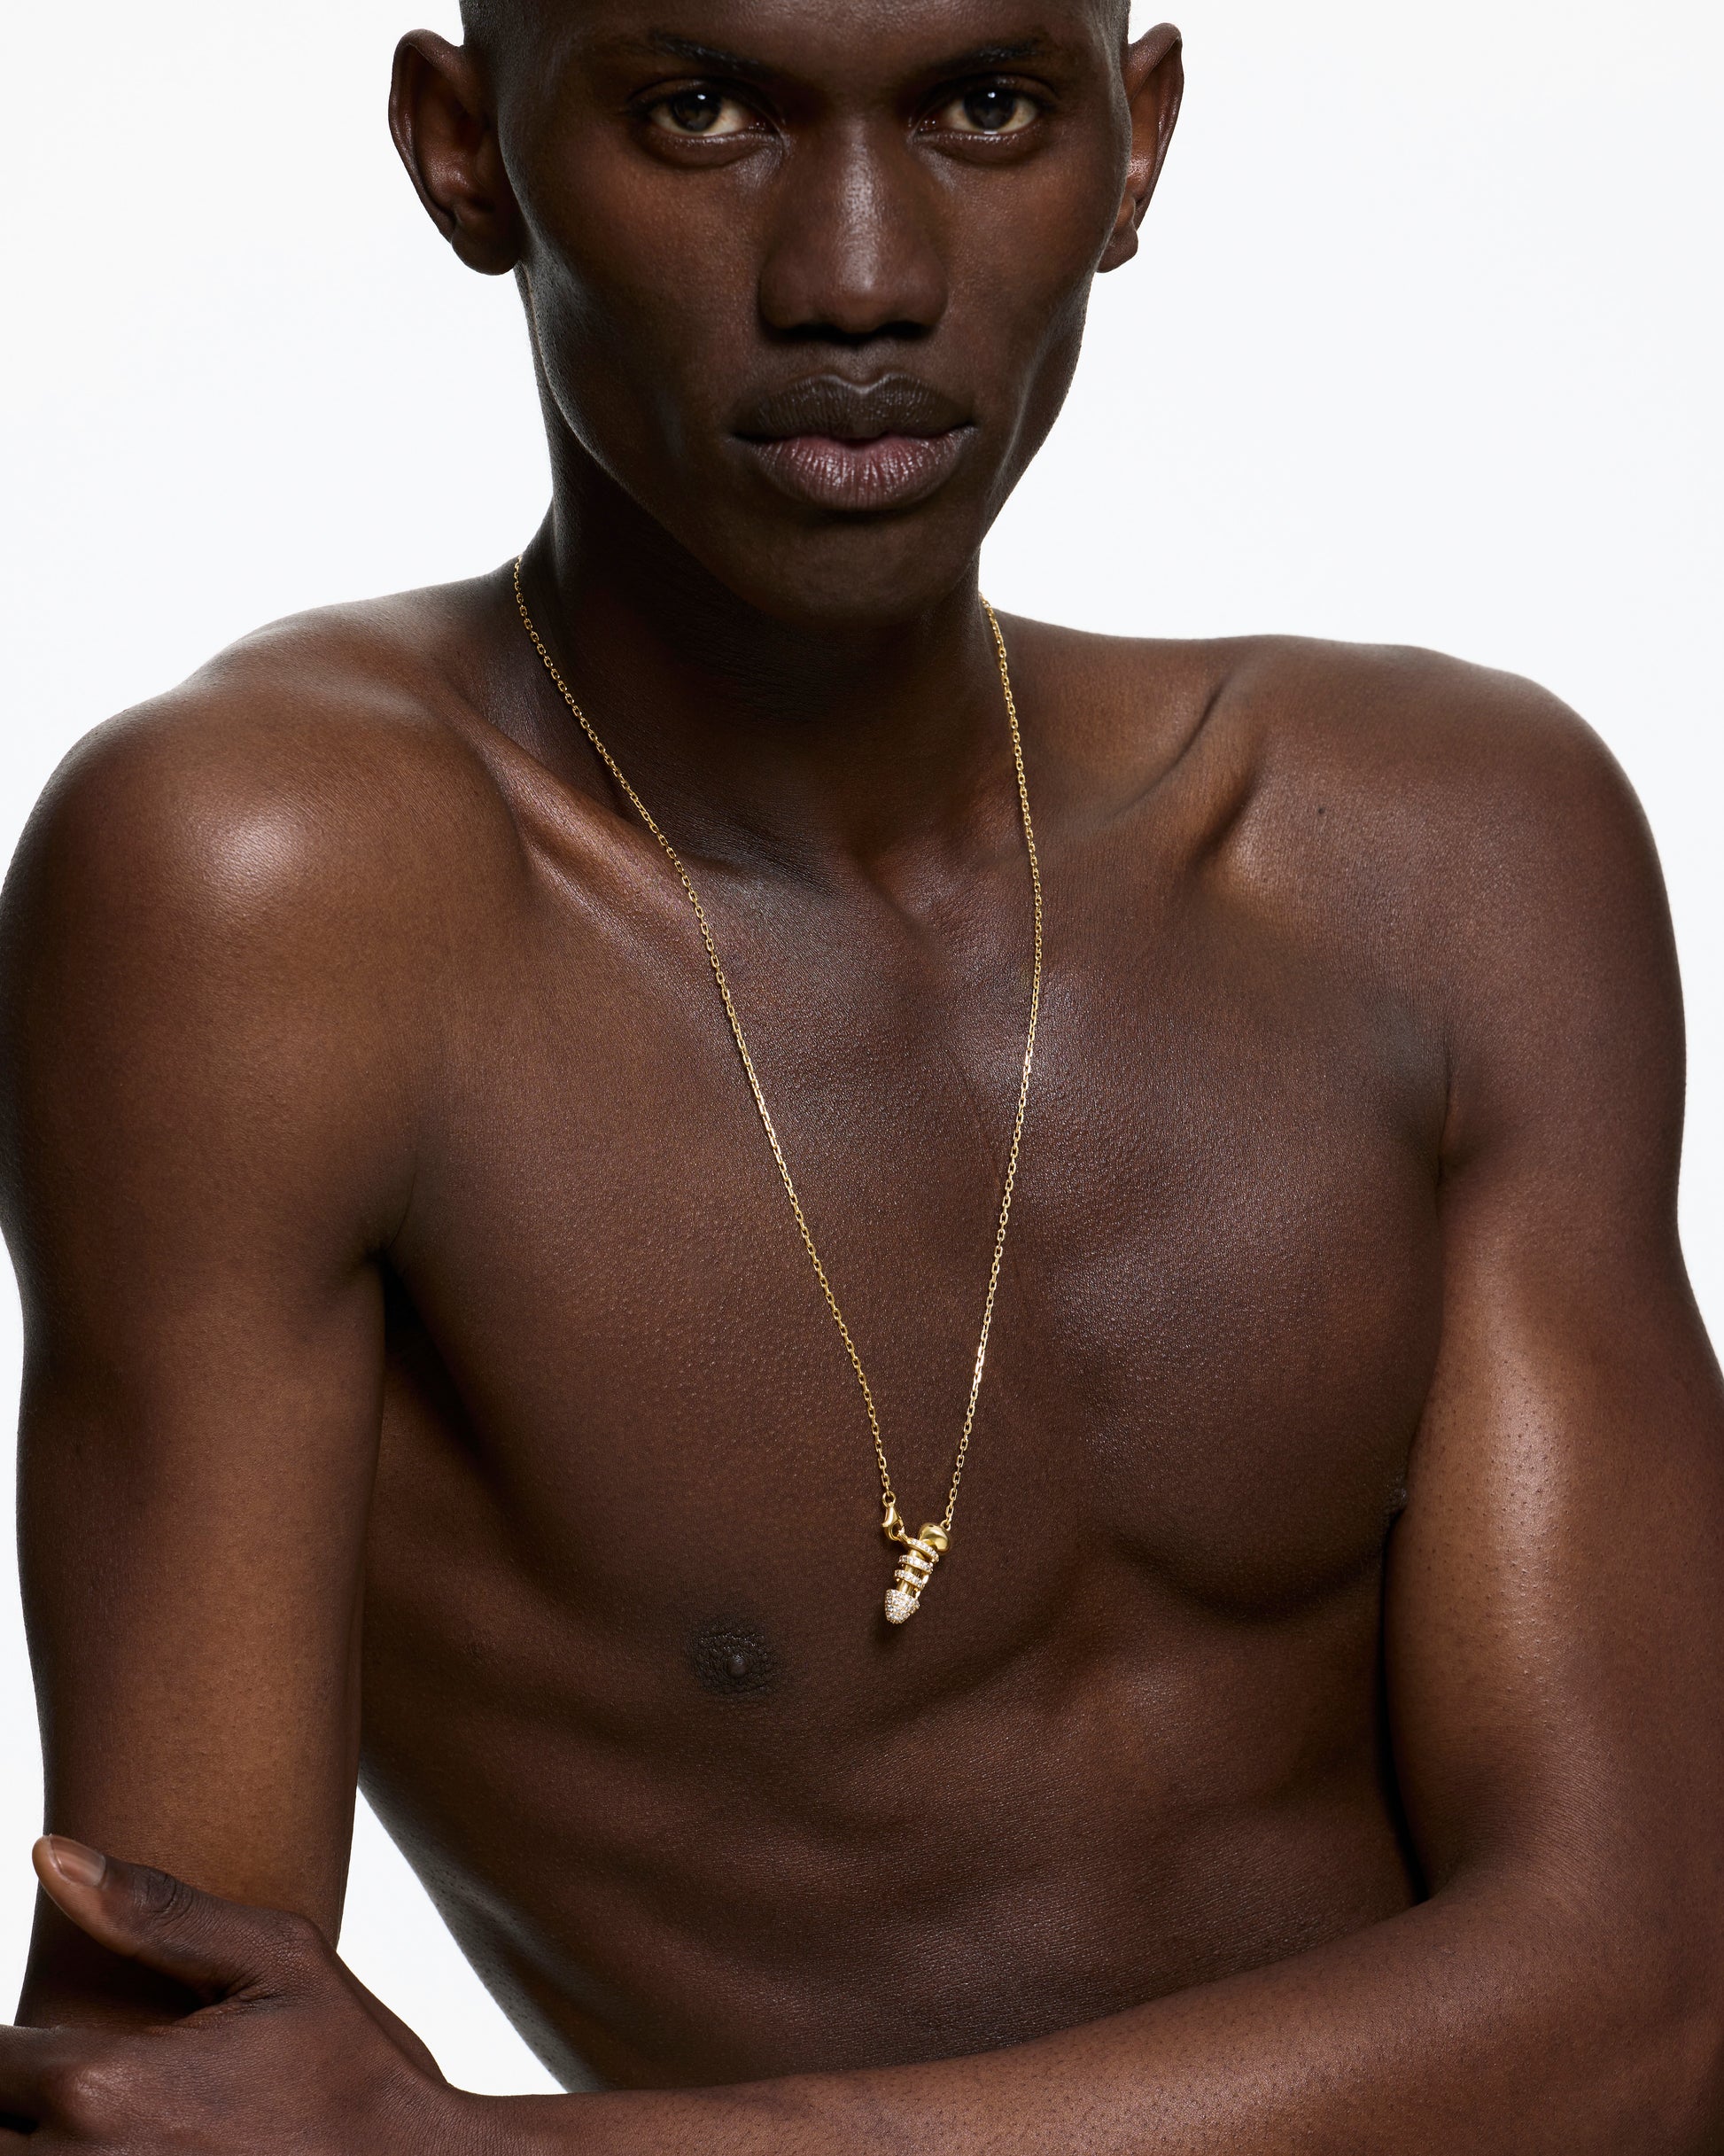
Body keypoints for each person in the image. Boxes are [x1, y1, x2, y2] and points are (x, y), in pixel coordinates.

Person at [3, 0, 1722, 2146]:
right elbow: (169, 2094)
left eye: (985, 107)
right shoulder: (280, 904)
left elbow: (1659, 1995)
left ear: (1134, 144)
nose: (856, 278)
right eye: (701, 109)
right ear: (464, 151)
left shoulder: (1444, 847)